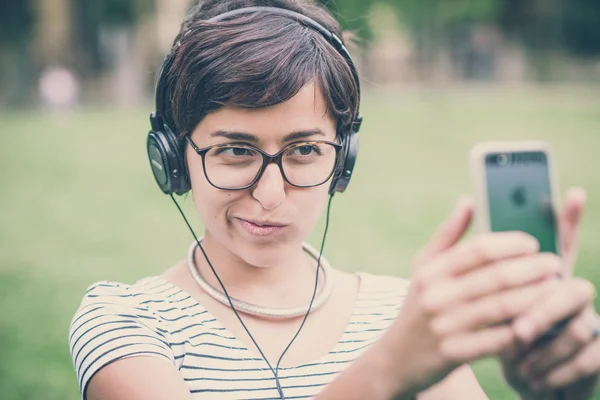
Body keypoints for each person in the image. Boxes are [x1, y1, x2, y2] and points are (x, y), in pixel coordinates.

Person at [68, 1, 600, 399]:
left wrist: (557, 391)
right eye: (234, 151)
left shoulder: (405, 316)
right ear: (173, 155)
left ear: (343, 159)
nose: (270, 195)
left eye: (304, 150)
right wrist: (390, 370)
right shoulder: (125, 320)